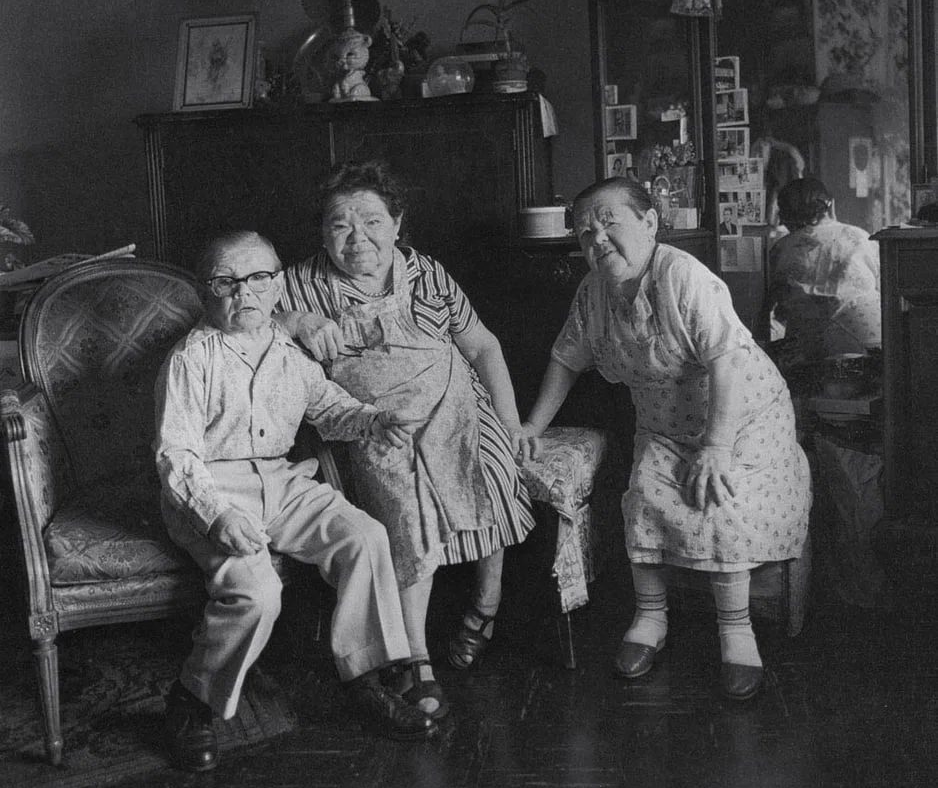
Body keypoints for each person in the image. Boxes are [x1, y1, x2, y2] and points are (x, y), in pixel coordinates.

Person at [518, 177, 811, 701]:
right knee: (643, 499)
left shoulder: (683, 277)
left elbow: (726, 362)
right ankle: (650, 619)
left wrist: (717, 448)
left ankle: (735, 632)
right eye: (585, 233)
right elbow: (566, 359)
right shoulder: (593, 293)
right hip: (665, 423)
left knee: (716, 500)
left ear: (650, 223)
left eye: (610, 223)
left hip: (741, 416)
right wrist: (533, 427)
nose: (597, 240)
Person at [155, 230, 437, 773]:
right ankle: (191, 700)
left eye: (259, 279)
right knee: (257, 593)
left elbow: (329, 407)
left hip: (281, 483)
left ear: (278, 285)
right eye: (226, 282)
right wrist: (217, 516)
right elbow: (176, 456)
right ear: (205, 292)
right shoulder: (192, 358)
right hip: (212, 490)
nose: (245, 294)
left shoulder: (288, 351)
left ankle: (365, 678)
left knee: (365, 537)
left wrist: (374, 420)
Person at [276, 160, 535, 720]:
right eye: (340, 225)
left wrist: (513, 425)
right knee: (402, 500)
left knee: (490, 465)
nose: (357, 238)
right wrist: (294, 321)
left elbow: (483, 347)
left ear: (397, 223)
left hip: (454, 401)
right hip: (374, 420)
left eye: (371, 221)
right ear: (323, 233)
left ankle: (485, 607)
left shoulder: (428, 274)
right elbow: (241, 318)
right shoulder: (296, 283)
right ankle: (415, 653)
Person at [766, 177, 881, 378]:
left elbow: (775, 303)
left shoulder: (781, 248)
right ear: (830, 205)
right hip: (868, 337)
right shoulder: (861, 237)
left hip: (809, 349)